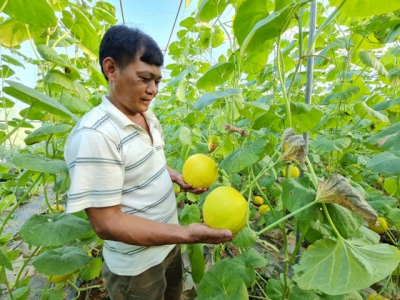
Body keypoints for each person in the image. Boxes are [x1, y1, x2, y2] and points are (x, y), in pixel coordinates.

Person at [64, 25, 232, 300]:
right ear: (111, 69)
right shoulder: (95, 135)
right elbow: (107, 223)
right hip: (137, 270)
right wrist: (188, 234)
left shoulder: (148, 117)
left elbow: (142, 164)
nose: (153, 89)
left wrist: (173, 175)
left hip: (169, 246)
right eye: (144, 78)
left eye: (157, 81)